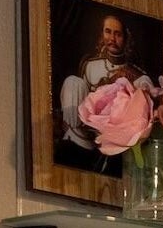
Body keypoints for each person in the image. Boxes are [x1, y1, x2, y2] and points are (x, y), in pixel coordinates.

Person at [59, 9, 150, 167]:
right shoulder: (90, 65)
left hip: (116, 138)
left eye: (118, 34)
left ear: (125, 38)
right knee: (73, 82)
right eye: (108, 32)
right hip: (84, 134)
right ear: (102, 34)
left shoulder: (137, 75)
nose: (112, 38)